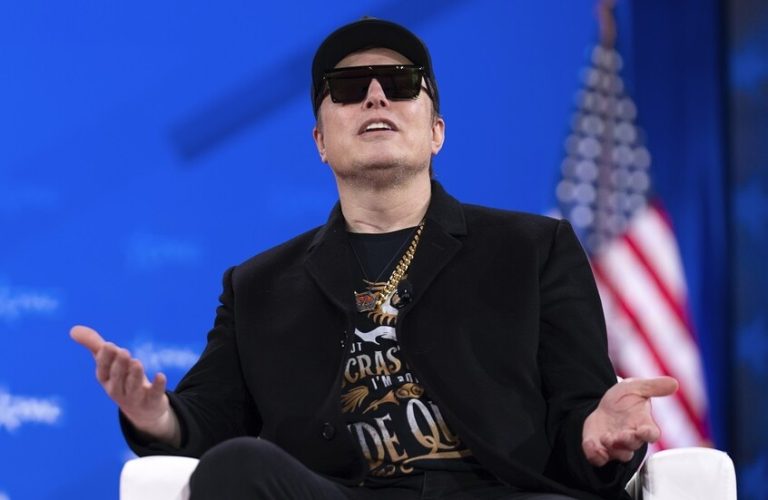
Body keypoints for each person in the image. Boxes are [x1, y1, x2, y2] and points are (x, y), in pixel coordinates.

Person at [71, 18, 677, 500]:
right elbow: (208, 418)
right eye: (347, 88)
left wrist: (598, 432)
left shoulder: (534, 249)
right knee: (236, 468)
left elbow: (579, 417)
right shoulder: (257, 285)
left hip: (498, 491)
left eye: (402, 82)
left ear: (436, 132)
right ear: (320, 141)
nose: (376, 96)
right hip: (339, 492)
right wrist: (155, 416)